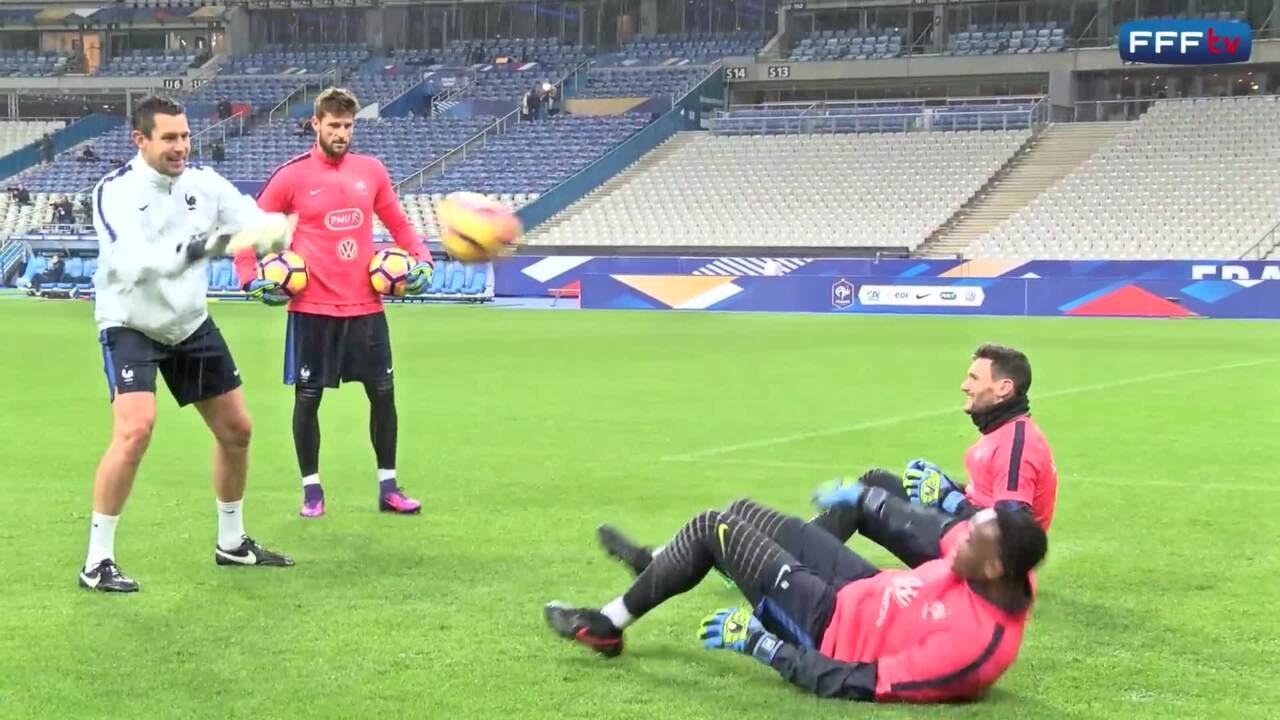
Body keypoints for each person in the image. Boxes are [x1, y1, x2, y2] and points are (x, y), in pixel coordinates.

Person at [545, 481, 1047, 703]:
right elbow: (937, 529)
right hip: (863, 587)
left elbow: (861, 683)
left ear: (995, 567)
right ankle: (660, 566)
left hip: (825, 629)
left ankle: (608, 625)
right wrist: (864, 497)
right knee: (742, 510)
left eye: (972, 542)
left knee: (711, 527)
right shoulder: (993, 562)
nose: (958, 545)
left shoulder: (973, 647)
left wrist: (766, 647)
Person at [83, 96, 296, 593]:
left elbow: (252, 220)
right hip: (130, 321)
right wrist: (215, 245)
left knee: (237, 430)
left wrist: (272, 234)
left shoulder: (204, 182)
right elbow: (140, 263)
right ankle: (97, 562)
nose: (181, 147)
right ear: (141, 140)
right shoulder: (114, 192)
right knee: (135, 430)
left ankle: (231, 543)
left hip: (189, 322)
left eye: (184, 136)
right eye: (169, 138)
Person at [232, 87, 434, 519]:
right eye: (334, 125)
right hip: (313, 310)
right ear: (316, 125)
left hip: (366, 307)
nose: (342, 133)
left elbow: (398, 222)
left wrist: (424, 260)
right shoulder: (292, 176)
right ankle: (312, 491)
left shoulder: (371, 171)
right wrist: (248, 275)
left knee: (383, 395)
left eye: (347, 126)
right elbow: (250, 227)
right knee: (307, 399)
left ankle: (389, 487)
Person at [832, 344, 1058, 537]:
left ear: (1003, 388)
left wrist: (949, 499)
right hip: (973, 539)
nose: (964, 386)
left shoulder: (1015, 444)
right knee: (876, 482)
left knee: (865, 497)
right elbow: (988, 497)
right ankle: (804, 553)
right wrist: (943, 485)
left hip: (986, 562)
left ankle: (801, 555)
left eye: (974, 378)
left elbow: (1013, 532)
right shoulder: (1005, 430)